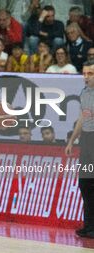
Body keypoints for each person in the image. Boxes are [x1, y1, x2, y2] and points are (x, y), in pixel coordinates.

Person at [65, 59, 94, 238]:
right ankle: (89, 226)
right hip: (86, 139)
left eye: (90, 74)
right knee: (85, 183)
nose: (86, 77)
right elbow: (82, 119)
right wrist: (71, 141)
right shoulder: (84, 93)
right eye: (84, 73)